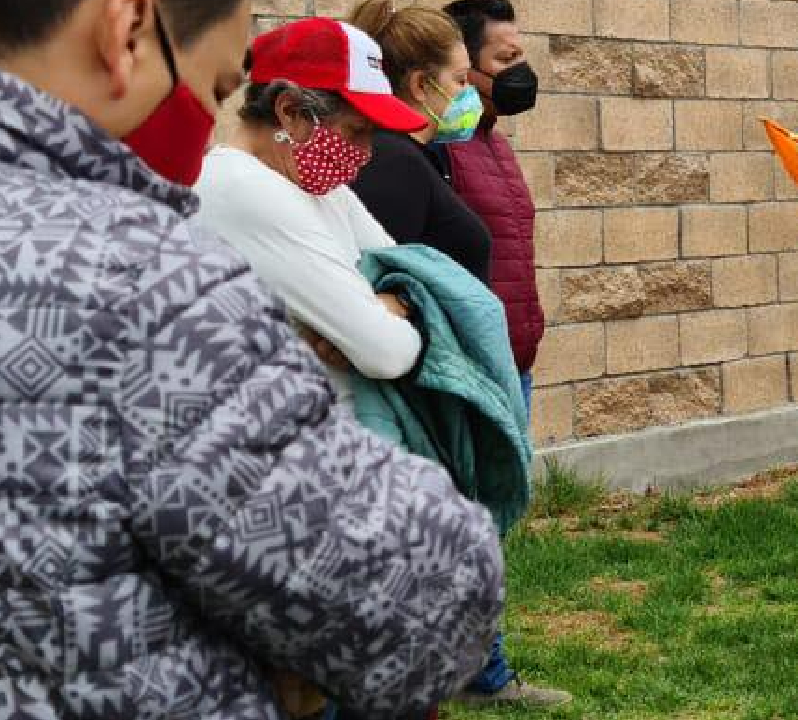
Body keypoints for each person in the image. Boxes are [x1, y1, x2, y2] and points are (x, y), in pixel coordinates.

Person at [0, 1, 503, 718]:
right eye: (210, 89)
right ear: (125, 28)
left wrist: (390, 302)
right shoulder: (144, 273)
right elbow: (426, 599)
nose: (207, 126)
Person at [350, 1, 569, 707]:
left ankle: (474, 668)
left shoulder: (487, 141)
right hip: (454, 374)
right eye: (500, 61)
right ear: (439, 77)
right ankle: (470, 673)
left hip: (508, 357)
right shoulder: (426, 151)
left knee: (479, 530)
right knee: (453, 532)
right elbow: (391, 271)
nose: (516, 73)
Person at [195, 17, 428, 407]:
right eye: (357, 130)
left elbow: (416, 276)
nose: (368, 152)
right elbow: (387, 352)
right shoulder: (243, 188)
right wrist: (388, 309)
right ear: (289, 111)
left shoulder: (321, 190)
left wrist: (396, 303)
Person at [442, 0, 544, 420]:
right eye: (505, 58)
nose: (520, 70)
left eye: (520, 55)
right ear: (465, 67)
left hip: (516, 360)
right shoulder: (438, 149)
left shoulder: (496, 144)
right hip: (471, 367)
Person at [348, 0, 493, 285]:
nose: (470, 94)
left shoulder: (413, 155)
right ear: (421, 86)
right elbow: (381, 277)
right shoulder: (394, 161)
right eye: (461, 80)